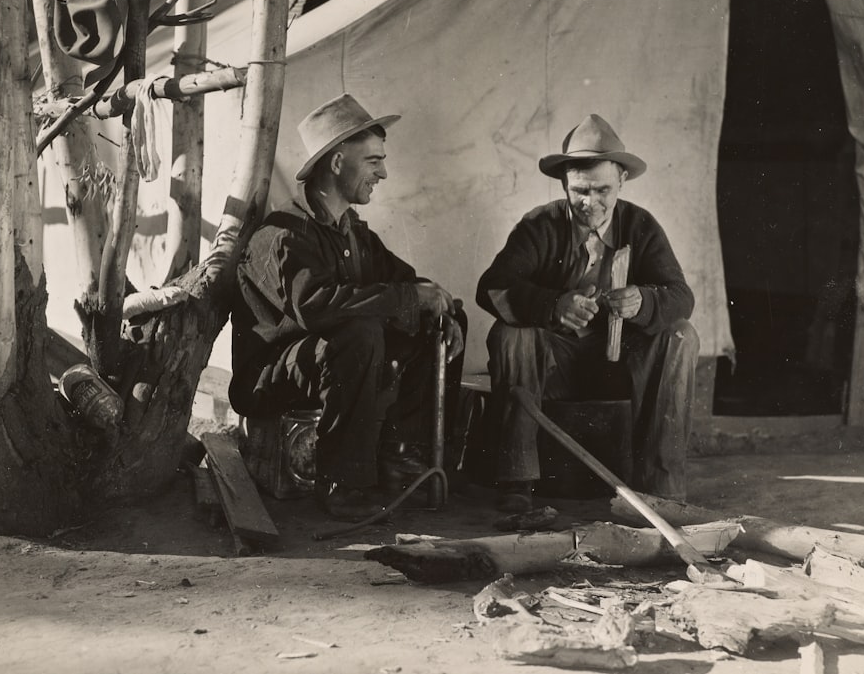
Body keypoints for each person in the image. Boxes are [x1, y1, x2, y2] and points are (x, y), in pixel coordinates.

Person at [229, 93, 465, 522]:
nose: (384, 173)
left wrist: (438, 306)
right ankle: (342, 483)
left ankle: (399, 455)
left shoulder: (352, 231)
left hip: (324, 361)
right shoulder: (285, 233)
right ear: (337, 163)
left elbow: (405, 281)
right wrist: (411, 297)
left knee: (437, 317)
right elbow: (315, 309)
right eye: (373, 161)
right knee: (360, 331)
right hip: (268, 376)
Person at [475, 114, 699, 512]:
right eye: (579, 190)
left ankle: (661, 487)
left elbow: (681, 296)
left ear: (621, 182)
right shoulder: (539, 224)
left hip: (621, 366)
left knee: (681, 335)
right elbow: (492, 287)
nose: (590, 203)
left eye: (602, 191)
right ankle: (517, 480)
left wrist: (643, 301)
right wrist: (552, 306)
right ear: (564, 183)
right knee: (510, 333)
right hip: (556, 362)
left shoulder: (641, 225)